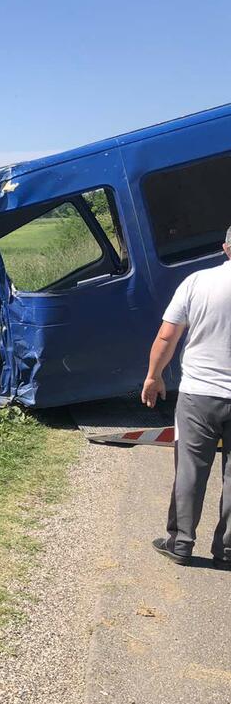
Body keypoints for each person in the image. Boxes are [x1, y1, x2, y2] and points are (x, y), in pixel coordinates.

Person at [142, 226, 231, 570]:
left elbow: (167, 335)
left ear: (225, 248)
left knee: (191, 469)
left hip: (199, 395)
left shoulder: (197, 283)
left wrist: (154, 376)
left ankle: (180, 543)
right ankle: (227, 549)